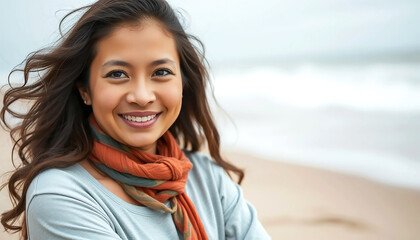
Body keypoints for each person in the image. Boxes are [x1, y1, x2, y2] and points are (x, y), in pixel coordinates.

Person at [1, 0, 271, 239]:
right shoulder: (61, 195)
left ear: (182, 84)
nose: (141, 96)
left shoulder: (206, 177)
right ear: (85, 89)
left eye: (161, 72)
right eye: (118, 74)